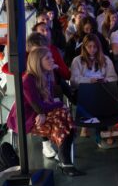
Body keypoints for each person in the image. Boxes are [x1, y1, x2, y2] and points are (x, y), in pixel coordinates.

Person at [7, 47, 82, 176]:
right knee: (63, 115)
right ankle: (64, 160)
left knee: (63, 115)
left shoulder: (46, 76)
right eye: (48, 58)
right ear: (37, 62)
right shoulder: (28, 80)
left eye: (51, 57)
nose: (52, 60)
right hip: (26, 119)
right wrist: (50, 108)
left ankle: (64, 160)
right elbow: (39, 106)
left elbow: (47, 103)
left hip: (39, 114)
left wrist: (44, 111)